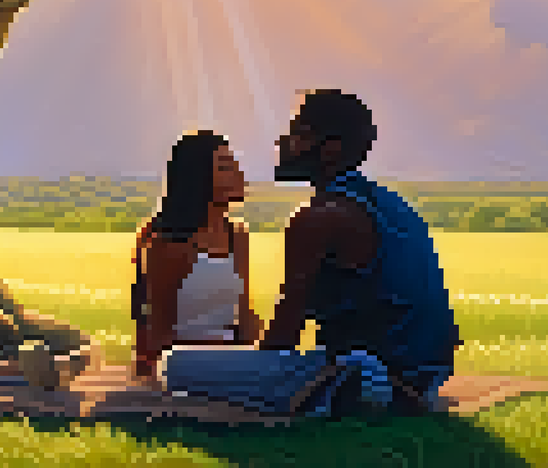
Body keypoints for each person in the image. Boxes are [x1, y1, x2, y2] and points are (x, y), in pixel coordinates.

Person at [158, 90, 461, 417]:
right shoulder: (387, 203)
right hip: (424, 377)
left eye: (298, 134)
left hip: (371, 371)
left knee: (173, 365)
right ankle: (361, 388)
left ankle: (351, 388)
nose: (283, 142)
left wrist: (246, 365)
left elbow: (282, 339)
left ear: (329, 149)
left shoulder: (317, 218)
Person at [131, 131, 262, 381]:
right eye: (225, 167)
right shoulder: (168, 243)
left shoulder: (237, 235)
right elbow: (158, 329)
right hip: (183, 360)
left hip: (231, 354)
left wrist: (262, 354)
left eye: (236, 165)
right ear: (196, 177)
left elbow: (244, 312)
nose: (239, 175)